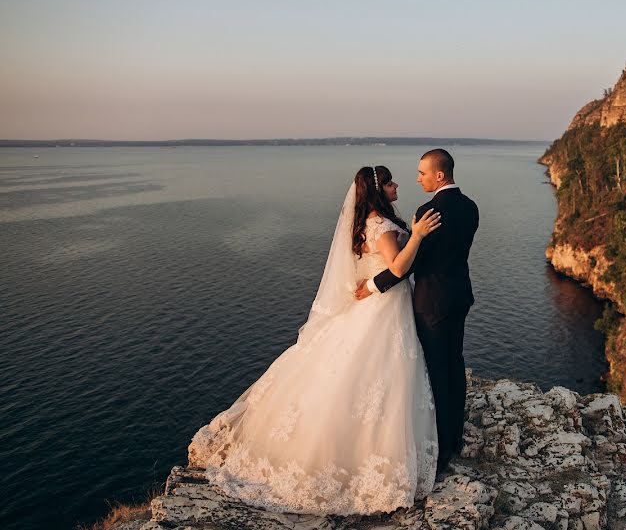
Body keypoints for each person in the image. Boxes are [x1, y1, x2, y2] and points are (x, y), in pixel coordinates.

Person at [188, 166, 442, 515]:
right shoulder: (381, 225)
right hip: (384, 311)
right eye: (390, 181)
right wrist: (417, 235)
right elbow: (397, 268)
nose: (398, 185)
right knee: (382, 378)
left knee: (355, 376)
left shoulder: (367, 221)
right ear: (378, 189)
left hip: (375, 306)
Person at [356, 149, 479, 474]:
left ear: (439, 175)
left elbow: (409, 265)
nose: (418, 178)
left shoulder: (429, 211)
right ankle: (455, 436)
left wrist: (371, 286)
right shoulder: (471, 207)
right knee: (455, 363)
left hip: (432, 302)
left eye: (423, 173)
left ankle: (440, 453)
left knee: (437, 371)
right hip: (459, 296)